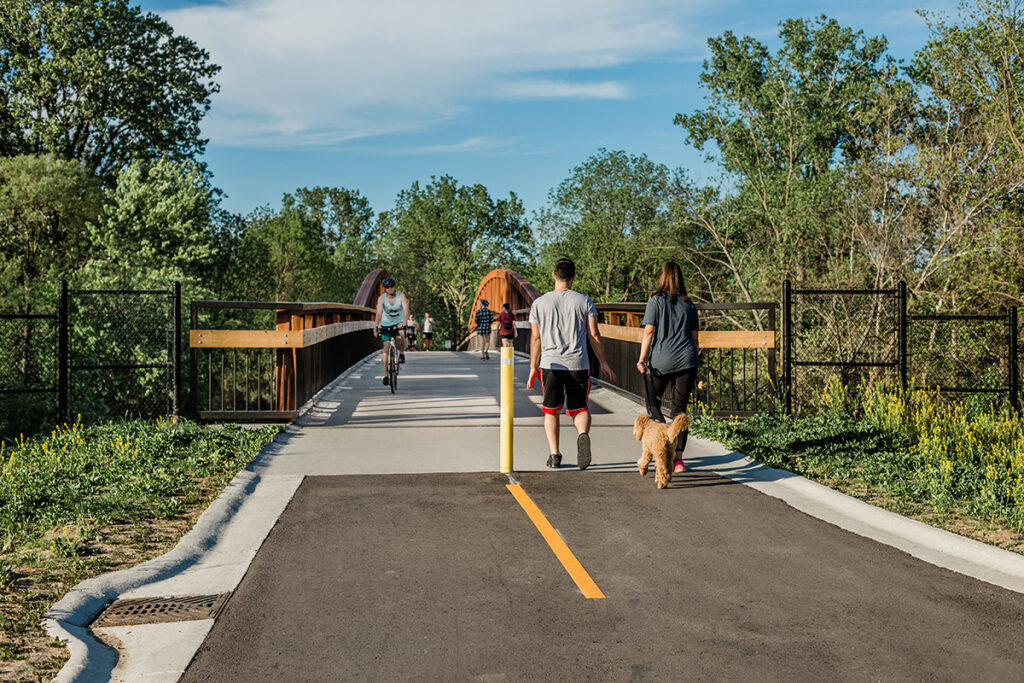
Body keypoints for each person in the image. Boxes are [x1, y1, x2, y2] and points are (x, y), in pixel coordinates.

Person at [526, 257, 617, 469]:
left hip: (550, 365)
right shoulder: (584, 301)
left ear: (553, 275)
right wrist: (603, 362)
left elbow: (536, 339)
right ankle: (583, 434)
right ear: (574, 277)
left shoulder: (539, 303)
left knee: (551, 410)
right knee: (579, 408)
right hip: (578, 364)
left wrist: (532, 367)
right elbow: (594, 334)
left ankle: (555, 455)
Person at [636, 262, 699, 473]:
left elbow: (648, 332)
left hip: (661, 362)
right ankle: (678, 460)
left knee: (652, 402)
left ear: (663, 278)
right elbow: (695, 338)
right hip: (686, 361)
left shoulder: (655, 301)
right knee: (679, 411)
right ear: (680, 279)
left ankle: (661, 447)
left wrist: (642, 358)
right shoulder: (689, 304)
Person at [374, 277, 410, 385]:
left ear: (395, 286)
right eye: (387, 287)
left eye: (392, 286)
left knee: (403, 333)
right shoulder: (381, 299)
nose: (390, 289)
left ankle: (402, 354)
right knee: (386, 347)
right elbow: (379, 312)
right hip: (386, 324)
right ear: (384, 288)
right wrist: (376, 326)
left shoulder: (401, 296)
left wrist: (404, 322)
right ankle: (385, 375)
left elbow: (406, 310)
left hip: (399, 322)